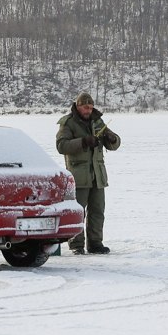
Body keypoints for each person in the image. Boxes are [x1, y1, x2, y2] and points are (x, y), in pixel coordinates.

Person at [56, 92, 121, 255]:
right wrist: (84, 142)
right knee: (78, 211)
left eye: (91, 107)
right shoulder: (68, 123)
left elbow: (114, 144)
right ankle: (77, 245)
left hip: (97, 175)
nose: (88, 110)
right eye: (86, 107)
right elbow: (61, 145)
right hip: (78, 174)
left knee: (98, 211)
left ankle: (96, 243)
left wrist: (112, 139)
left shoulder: (97, 120)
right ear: (78, 106)